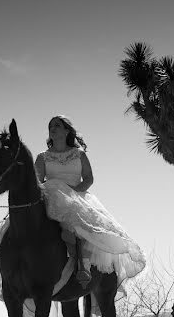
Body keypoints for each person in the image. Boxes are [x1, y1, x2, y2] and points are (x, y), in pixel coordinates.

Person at [35, 115, 146, 285]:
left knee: (84, 225)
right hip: (52, 197)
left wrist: (72, 192)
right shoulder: (42, 157)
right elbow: (37, 181)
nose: (53, 128)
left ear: (66, 130)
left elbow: (88, 179)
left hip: (76, 196)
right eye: (50, 126)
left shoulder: (79, 154)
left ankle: (83, 264)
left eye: (57, 125)